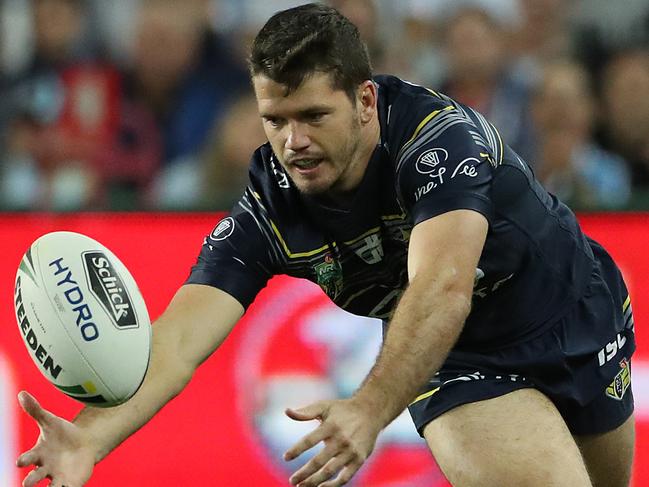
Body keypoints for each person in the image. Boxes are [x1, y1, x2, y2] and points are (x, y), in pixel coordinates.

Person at [16, 4, 636, 487]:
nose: (293, 142)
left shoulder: (438, 142)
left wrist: (366, 409)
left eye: (313, 116)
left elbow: (443, 284)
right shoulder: (271, 208)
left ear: (365, 100)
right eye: (275, 120)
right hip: (458, 358)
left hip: (576, 307)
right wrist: (88, 438)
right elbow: (176, 342)